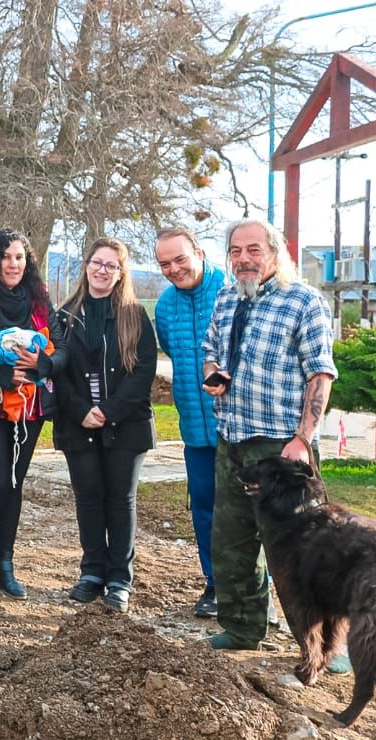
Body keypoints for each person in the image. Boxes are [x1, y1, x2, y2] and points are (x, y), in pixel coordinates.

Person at [200, 218, 336, 651]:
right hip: (232, 439)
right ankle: (242, 628)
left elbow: (320, 373)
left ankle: (324, 643)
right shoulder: (226, 298)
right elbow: (210, 350)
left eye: (254, 250)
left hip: (281, 448)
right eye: (236, 251)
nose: (244, 259)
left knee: (301, 550)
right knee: (231, 542)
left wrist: (303, 439)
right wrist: (213, 374)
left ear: (276, 252)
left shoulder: (304, 302)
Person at [54, 238, 157, 613]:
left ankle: (119, 579)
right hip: (77, 422)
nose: (102, 270)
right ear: (86, 266)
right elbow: (57, 371)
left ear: (120, 272)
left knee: (120, 499)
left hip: (125, 423)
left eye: (111, 265)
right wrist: (81, 409)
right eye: (97, 262)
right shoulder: (64, 315)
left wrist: (109, 410)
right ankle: (92, 572)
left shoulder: (134, 315)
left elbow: (143, 371)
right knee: (89, 498)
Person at [0, 229, 66, 600]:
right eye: (6, 257)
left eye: (20, 257)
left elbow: (61, 348)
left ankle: (3, 564)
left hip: (30, 407)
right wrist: (0, 374)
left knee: (15, 484)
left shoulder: (39, 301)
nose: (13, 264)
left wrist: (45, 364)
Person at [153, 227, 224, 618]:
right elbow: (170, 349)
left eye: (180, 259)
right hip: (195, 429)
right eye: (165, 263)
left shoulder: (231, 290)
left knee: (248, 511)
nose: (174, 269)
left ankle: (256, 591)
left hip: (238, 426)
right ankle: (213, 585)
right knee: (204, 507)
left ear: (198, 251)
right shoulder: (164, 306)